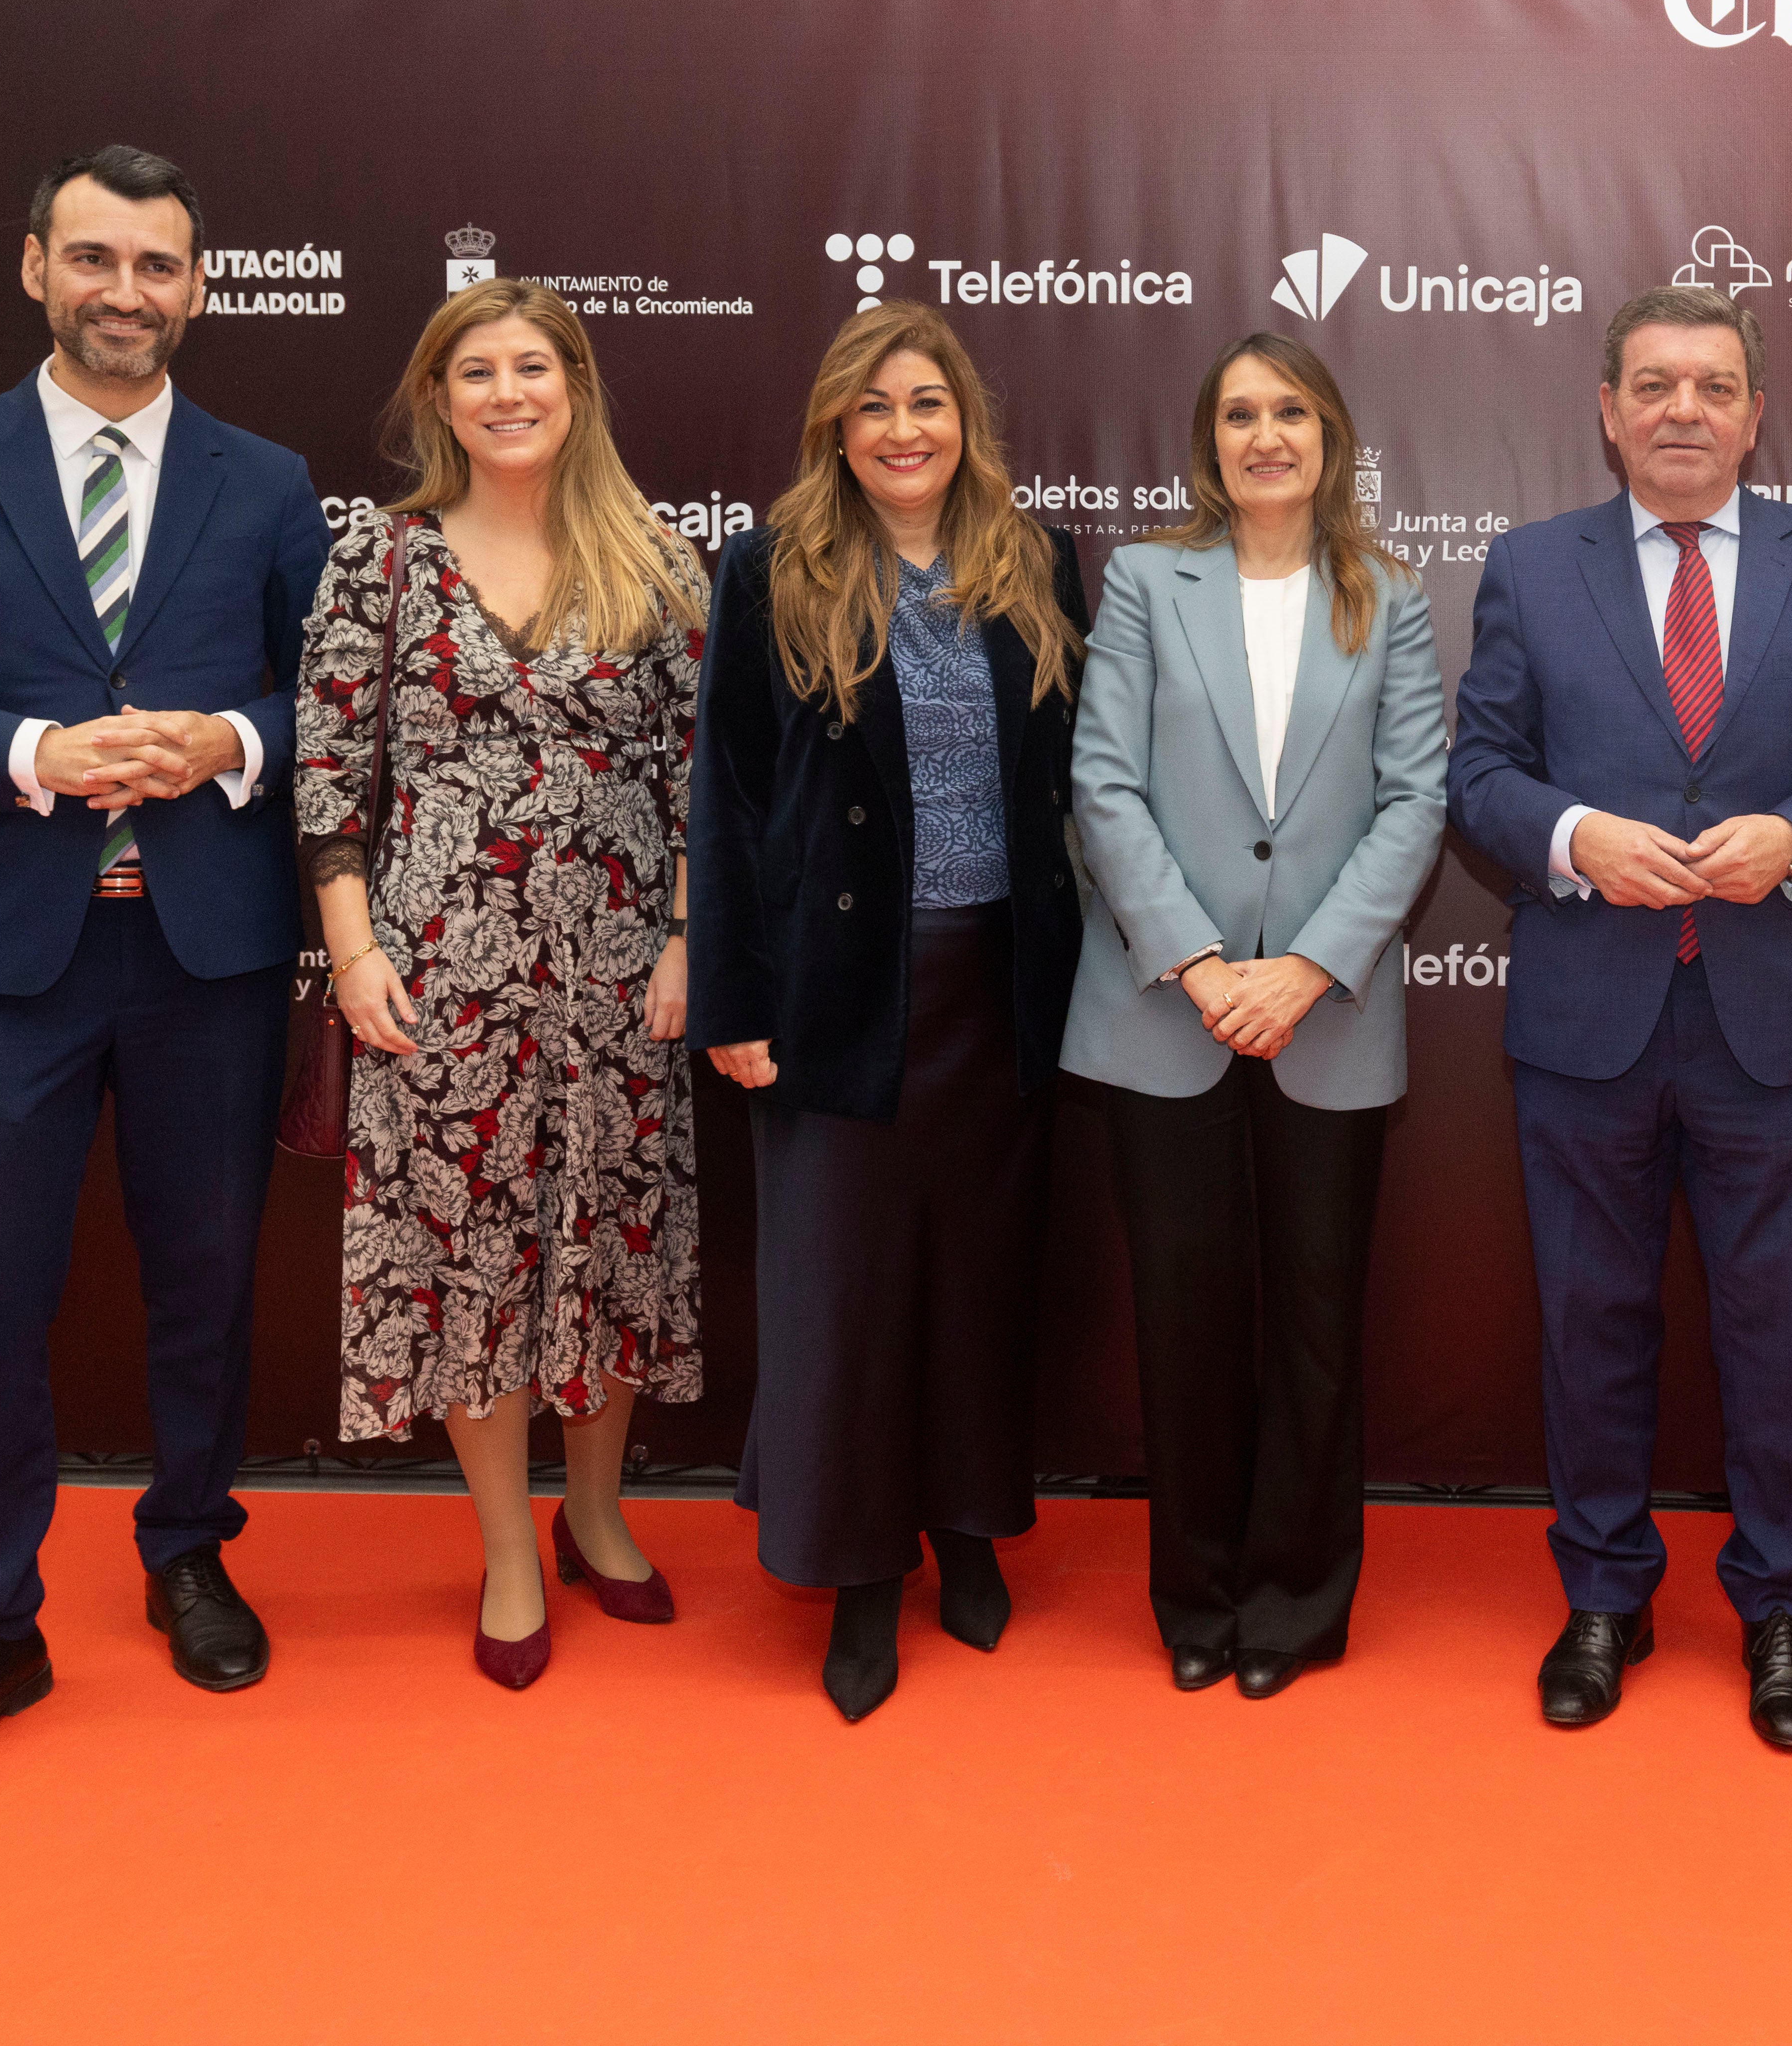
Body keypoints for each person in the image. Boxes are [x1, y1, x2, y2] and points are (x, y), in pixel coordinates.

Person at [0, 146, 331, 1800]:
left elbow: (345, 702)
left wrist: (229, 738)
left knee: (206, 1277)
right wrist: (36, 746)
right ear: (32, 266)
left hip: (206, 955)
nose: (125, 293)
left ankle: (187, 1551)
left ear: (197, 284)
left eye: (157, 266)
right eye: (93, 259)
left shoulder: (264, 480)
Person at [1448, 284, 1792, 1752]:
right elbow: (1479, 774)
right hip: (1588, 1017)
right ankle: (1603, 1593)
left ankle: (1779, 1605)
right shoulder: (1532, 568)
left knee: (1778, 1331)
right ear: (1606, 409)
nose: (1682, 411)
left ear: (1754, 414)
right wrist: (1574, 834)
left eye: (1712, 387)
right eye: (1653, 385)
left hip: (1773, 1022)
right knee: (1591, 1320)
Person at [298, 280, 708, 1689]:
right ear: (439, 399)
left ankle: (595, 1510)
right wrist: (353, 951)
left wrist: (682, 936)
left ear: (576, 387)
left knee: (608, 1243)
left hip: (616, 980)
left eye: (534, 366)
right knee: (473, 1257)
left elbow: (707, 776)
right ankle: (508, 1547)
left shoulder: (657, 559)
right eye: (476, 371)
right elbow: (330, 774)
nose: (507, 392)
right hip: (438, 983)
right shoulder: (381, 561)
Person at [688, 301, 1090, 1723]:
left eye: (926, 403)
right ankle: (860, 1570)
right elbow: (727, 802)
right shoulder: (769, 568)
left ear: (964, 420)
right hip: (834, 990)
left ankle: (969, 1529)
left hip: (1003, 986)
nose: (903, 431)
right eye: (873, 409)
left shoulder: (1037, 564)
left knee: (977, 1276)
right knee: (843, 1293)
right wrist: (731, 992)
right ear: (835, 432)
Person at [1063, 333, 1447, 1700]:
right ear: (1208, 441)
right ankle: (1199, 1597)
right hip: (1164, 1011)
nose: (1265, 434)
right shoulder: (1146, 585)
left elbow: (1415, 800)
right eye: (1239, 414)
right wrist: (1201, 960)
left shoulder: (1385, 595)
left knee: (1315, 1322)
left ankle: (1294, 1605)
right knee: (1185, 1320)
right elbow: (1101, 783)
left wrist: (1309, 967)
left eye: (1290, 411)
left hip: (1324, 1020)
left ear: (1331, 436)